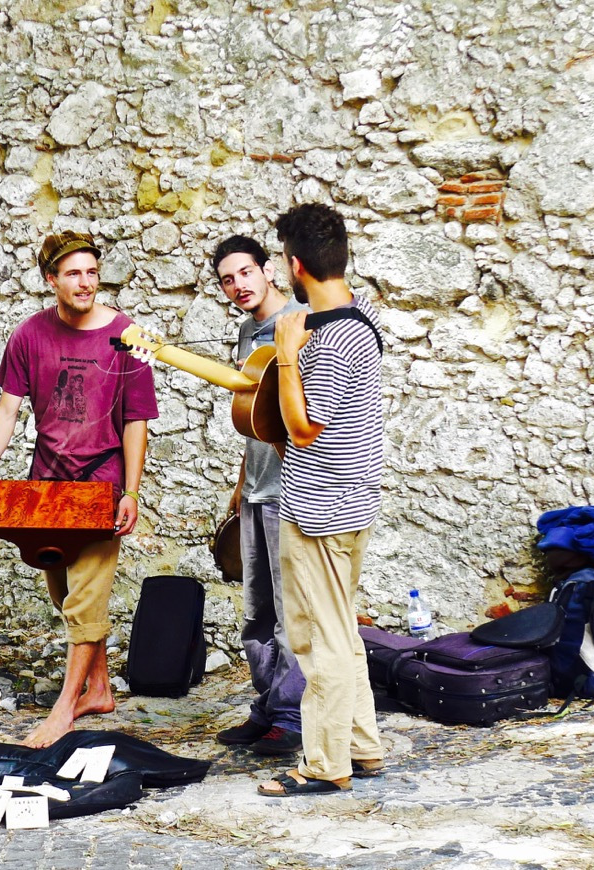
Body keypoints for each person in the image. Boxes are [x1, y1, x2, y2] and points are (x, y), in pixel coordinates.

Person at [0, 230, 157, 748]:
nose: (85, 282)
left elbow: (136, 419)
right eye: (73, 273)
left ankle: (65, 709)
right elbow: (7, 410)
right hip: (46, 487)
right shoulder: (30, 335)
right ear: (51, 280)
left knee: (85, 601)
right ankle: (97, 688)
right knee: (63, 593)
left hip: (101, 486)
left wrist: (131, 491)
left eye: (91, 272)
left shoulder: (126, 336)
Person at [255, 204, 386, 797]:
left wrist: (286, 351)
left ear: (295, 263)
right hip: (352, 504)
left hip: (319, 512)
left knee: (319, 640)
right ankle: (359, 746)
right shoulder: (360, 323)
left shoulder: (325, 339)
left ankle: (324, 763)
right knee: (342, 632)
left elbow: (304, 428)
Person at [211, 235, 309, 757]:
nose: (238, 286)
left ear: (267, 269)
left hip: (292, 492)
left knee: (293, 613)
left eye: (245, 273)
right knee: (255, 613)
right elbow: (255, 416)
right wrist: (241, 481)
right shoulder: (249, 332)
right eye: (227, 279)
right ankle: (268, 707)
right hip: (255, 488)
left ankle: (292, 718)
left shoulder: (299, 324)